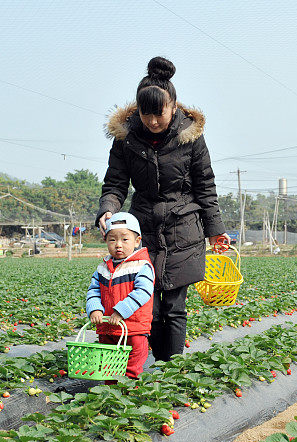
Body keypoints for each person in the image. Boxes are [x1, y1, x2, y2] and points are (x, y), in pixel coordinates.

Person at [96, 56, 229, 361]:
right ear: (138, 111)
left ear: (173, 107)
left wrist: (215, 231)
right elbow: (115, 184)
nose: (153, 122)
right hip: (143, 229)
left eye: (160, 114)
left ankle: (172, 366)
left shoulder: (191, 137)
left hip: (183, 227)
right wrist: (107, 210)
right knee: (148, 305)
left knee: (173, 305)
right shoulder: (126, 139)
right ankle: (156, 362)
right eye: (146, 115)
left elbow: (205, 186)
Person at [86, 213, 155, 381]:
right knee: (109, 367)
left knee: (131, 368)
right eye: (112, 240)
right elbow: (93, 290)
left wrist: (120, 312)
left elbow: (143, 292)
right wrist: (95, 308)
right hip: (108, 327)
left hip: (134, 329)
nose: (118, 245)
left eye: (125, 240)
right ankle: (111, 395)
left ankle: (129, 396)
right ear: (105, 241)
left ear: (137, 241)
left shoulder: (142, 265)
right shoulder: (103, 267)